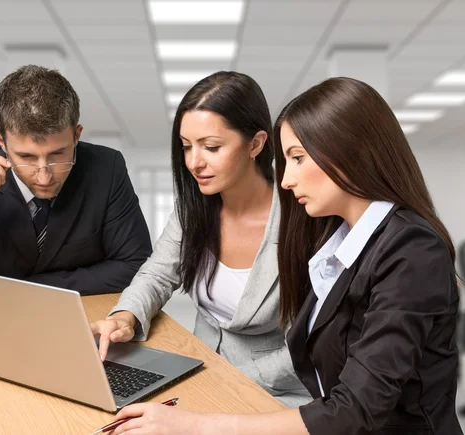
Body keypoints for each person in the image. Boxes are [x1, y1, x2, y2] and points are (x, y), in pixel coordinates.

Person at [106, 77, 463, 435]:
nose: (287, 181)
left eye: (297, 158)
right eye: (186, 146)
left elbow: (355, 408)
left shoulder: (411, 250)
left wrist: (198, 423)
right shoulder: (344, 238)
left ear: (348, 151)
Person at [90, 71, 311, 407]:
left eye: (211, 147)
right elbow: (158, 273)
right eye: (186, 146)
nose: (194, 162)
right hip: (201, 374)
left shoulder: (302, 215)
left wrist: (223, 380)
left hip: (279, 392)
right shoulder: (194, 206)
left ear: (256, 143)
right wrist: (126, 316)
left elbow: (309, 344)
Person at [0, 65, 152, 320]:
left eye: (58, 154)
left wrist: (27, 288)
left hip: (82, 320)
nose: (44, 176)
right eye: (26, 157)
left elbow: (135, 266)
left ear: (77, 136)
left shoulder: (107, 168)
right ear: (2, 143)